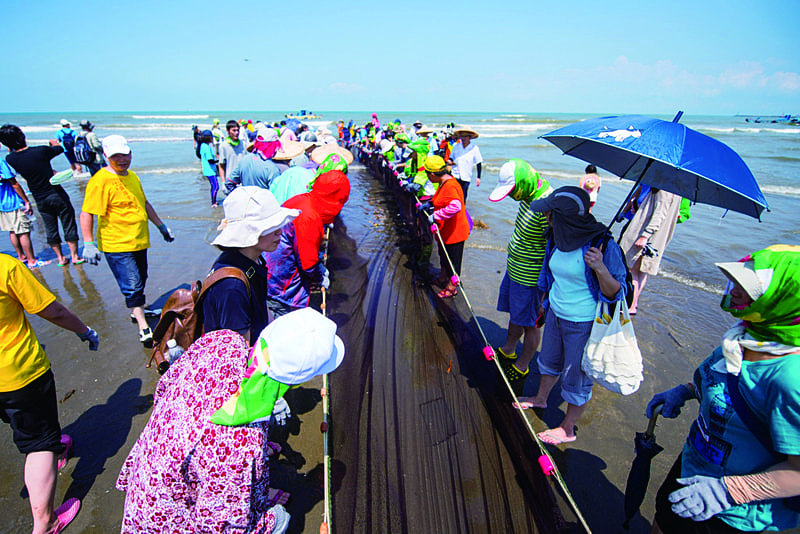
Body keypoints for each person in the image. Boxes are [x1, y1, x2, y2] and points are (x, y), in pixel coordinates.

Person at [647, 245, 800, 533]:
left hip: (733, 513)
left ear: (786, 298)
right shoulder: (743, 337)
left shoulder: (790, 378)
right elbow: (721, 381)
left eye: (751, 285)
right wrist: (687, 390)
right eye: (738, 279)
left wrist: (728, 491)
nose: (735, 288)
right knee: (663, 521)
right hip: (691, 469)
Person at [115, 329, 290, 534]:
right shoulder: (239, 445)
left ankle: (250, 489)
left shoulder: (224, 340)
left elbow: (164, 386)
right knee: (281, 518)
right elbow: (219, 527)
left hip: (149, 475)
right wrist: (264, 516)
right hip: (165, 520)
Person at [514, 186, 627, 446]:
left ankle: (568, 427)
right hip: (556, 313)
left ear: (562, 216)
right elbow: (549, 275)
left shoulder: (603, 244)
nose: (545, 218)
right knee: (550, 361)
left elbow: (617, 292)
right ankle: (540, 398)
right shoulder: (557, 236)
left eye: (549, 213)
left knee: (577, 375)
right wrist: (543, 304)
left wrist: (600, 267)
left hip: (584, 323)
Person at [1, 253, 99, 534]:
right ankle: (45, 521)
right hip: (18, 373)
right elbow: (50, 309)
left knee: (22, 422)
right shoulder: (5, 267)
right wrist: (84, 330)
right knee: (39, 442)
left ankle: (55, 450)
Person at [79, 135, 175, 346]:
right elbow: (87, 213)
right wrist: (88, 242)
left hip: (140, 240)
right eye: (115, 156)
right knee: (132, 284)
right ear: (105, 156)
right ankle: (142, 324)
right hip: (117, 244)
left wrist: (161, 226)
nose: (122, 159)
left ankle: (137, 309)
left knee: (141, 277)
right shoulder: (100, 180)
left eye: (125, 154)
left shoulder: (132, 176)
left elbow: (144, 203)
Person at [203, 186, 298, 344]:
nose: (279, 232)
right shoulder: (232, 287)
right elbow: (239, 351)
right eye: (271, 227)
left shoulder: (252, 260)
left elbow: (262, 307)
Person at [488, 159, 553, 383]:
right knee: (516, 314)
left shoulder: (547, 204)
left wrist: (545, 291)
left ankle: (523, 365)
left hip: (530, 278)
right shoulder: (528, 194)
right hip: (515, 269)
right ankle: (509, 347)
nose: (512, 196)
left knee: (530, 323)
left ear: (523, 183)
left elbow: (554, 249)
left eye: (513, 191)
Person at [264, 162, 350, 317]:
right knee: (286, 325)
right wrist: (321, 275)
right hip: (282, 283)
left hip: (270, 269)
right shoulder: (310, 217)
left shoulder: (302, 199)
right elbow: (307, 263)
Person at [0, 123, 83, 266]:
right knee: (68, 222)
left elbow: (21, 159)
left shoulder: (10, 159)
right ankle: (74, 256)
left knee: (50, 227)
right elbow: (60, 148)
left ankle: (61, 258)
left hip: (39, 197)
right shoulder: (41, 151)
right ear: (22, 136)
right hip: (55, 192)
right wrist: (53, 142)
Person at [618, 187, 681, 314]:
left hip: (646, 235)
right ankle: (633, 303)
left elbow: (659, 214)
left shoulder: (665, 190)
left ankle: (629, 304)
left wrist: (645, 235)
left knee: (631, 270)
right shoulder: (677, 191)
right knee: (641, 270)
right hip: (655, 238)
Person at [424, 155, 470, 299]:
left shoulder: (450, 185)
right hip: (444, 230)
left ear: (432, 174)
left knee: (453, 260)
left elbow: (455, 206)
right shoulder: (443, 182)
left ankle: (452, 286)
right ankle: (443, 277)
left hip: (455, 231)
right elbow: (441, 199)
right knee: (443, 256)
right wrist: (431, 204)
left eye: (427, 174)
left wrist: (436, 216)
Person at [0, 158, 49, 268]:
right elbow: (14, 184)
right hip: (13, 202)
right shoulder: (0, 162)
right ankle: (32, 260)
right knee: (23, 232)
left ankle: (21, 256)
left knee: (12, 231)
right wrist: (26, 201)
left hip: (2, 205)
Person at [447, 127, 482, 201]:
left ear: (470, 137)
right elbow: (451, 157)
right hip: (455, 174)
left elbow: (478, 162)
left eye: (466, 136)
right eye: (462, 136)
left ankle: (462, 210)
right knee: (453, 195)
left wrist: (478, 177)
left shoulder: (474, 148)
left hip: (466, 176)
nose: (464, 138)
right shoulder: (456, 146)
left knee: (463, 195)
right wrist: (449, 161)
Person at [219, 120, 247, 193]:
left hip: (242, 182)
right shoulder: (223, 146)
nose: (236, 133)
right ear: (227, 131)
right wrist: (223, 182)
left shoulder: (243, 144)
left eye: (238, 130)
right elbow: (221, 165)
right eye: (234, 130)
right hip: (230, 182)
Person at [198, 130, 219, 207]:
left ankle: (214, 201)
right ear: (208, 138)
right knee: (216, 186)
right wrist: (218, 161)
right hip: (210, 170)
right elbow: (210, 160)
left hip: (207, 170)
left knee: (213, 186)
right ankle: (213, 203)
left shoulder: (202, 145)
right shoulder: (206, 147)